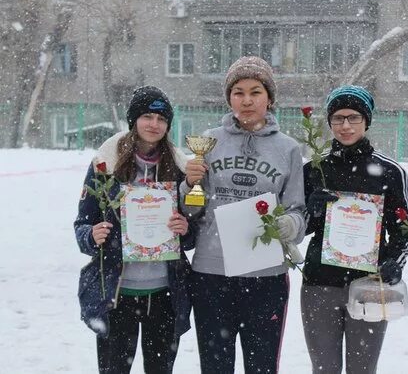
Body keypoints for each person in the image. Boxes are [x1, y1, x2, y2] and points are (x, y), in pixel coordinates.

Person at [182, 56, 306, 373]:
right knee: (215, 366)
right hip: (211, 273)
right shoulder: (209, 142)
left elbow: (297, 211)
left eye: (255, 92)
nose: (247, 100)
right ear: (229, 98)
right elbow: (191, 211)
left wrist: (288, 224)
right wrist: (188, 185)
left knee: (261, 366)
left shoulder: (288, 149)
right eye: (238, 92)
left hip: (264, 275)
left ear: (269, 98)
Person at [74, 86, 198, 374]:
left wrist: (185, 229)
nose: (154, 124)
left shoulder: (180, 169)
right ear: (133, 121)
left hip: (165, 294)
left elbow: (192, 234)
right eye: (147, 116)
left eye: (161, 118)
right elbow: (82, 224)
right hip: (117, 295)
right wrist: (92, 236)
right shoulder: (105, 165)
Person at [301, 85, 408, 374]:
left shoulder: (389, 171)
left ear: (366, 121)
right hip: (319, 283)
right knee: (324, 368)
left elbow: (402, 228)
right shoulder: (315, 168)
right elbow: (301, 229)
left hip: (369, 284)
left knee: (363, 369)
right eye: (338, 118)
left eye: (353, 117)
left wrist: (394, 263)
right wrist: (311, 210)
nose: (345, 125)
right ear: (329, 122)